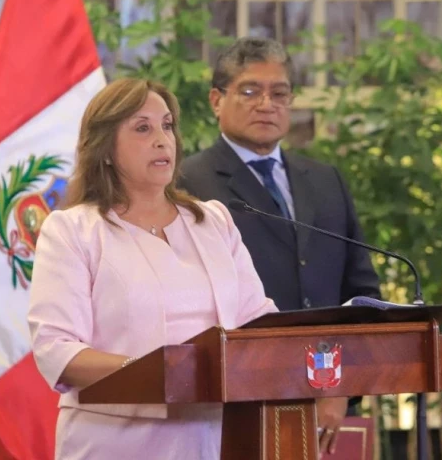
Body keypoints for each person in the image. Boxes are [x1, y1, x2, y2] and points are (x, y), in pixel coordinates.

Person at [27, 77, 277, 459]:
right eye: (142, 128)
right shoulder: (74, 231)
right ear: (106, 149)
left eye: (166, 125)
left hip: (217, 439)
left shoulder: (213, 222)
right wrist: (160, 372)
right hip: (115, 443)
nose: (162, 139)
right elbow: (57, 350)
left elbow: (258, 322)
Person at [178, 37, 382, 456]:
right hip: (234, 401)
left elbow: (360, 294)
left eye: (279, 93)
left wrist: (339, 387)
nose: (266, 104)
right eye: (250, 91)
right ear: (217, 100)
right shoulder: (188, 183)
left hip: (327, 401)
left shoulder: (326, 180)